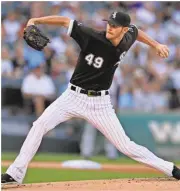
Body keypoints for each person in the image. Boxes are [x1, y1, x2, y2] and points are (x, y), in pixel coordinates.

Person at [2, 11, 180, 185]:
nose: (110, 27)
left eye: (115, 26)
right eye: (109, 23)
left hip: (100, 103)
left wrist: (156, 45)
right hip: (72, 97)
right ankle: (15, 173)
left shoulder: (127, 38)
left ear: (124, 30)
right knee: (39, 126)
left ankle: (171, 169)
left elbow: (136, 31)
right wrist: (36, 20)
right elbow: (65, 21)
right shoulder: (92, 36)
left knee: (126, 146)